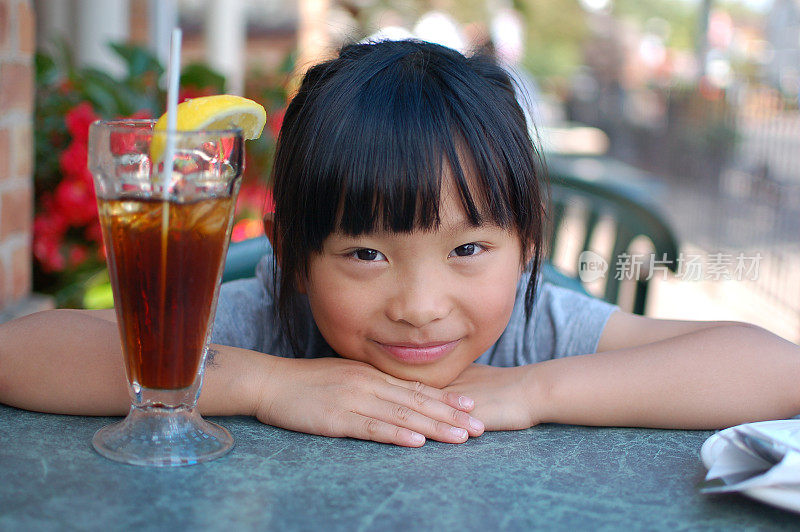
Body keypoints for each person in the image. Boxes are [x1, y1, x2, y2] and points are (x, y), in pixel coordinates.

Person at [1, 40, 799, 448]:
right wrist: (264, 384)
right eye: (365, 254)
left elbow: (775, 369)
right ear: (291, 256)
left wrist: (533, 392)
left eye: (468, 250)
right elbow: (21, 353)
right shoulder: (267, 326)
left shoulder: (531, 332)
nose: (420, 308)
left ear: (528, 245)